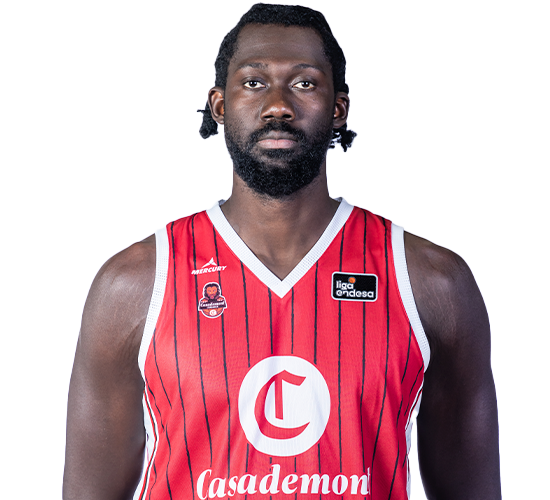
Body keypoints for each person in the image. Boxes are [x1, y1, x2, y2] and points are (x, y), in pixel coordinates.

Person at [63, 3, 501, 499]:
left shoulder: (431, 282)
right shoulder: (134, 284)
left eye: (304, 83)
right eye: (254, 82)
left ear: (338, 108)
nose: (277, 106)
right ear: (219, 105)